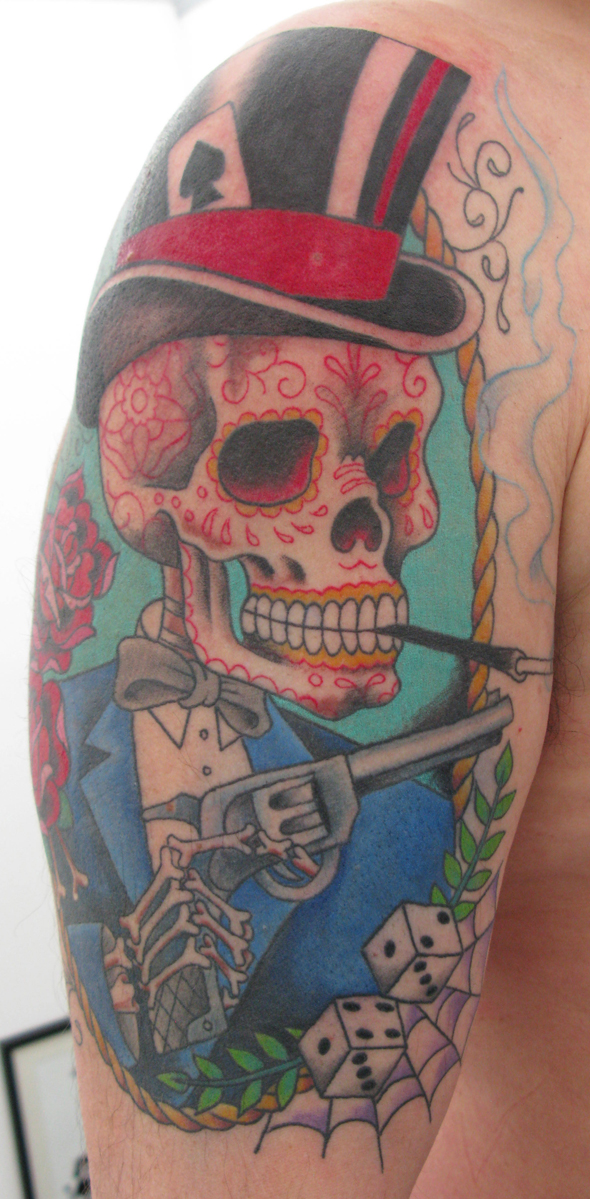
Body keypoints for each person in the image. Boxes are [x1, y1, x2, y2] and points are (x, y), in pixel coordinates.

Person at [28, 3, 590, 1197]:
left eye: (390, 463)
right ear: (156, 490)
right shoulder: (455, 106)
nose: (372, 525)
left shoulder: (406, 828)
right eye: (271, 454)